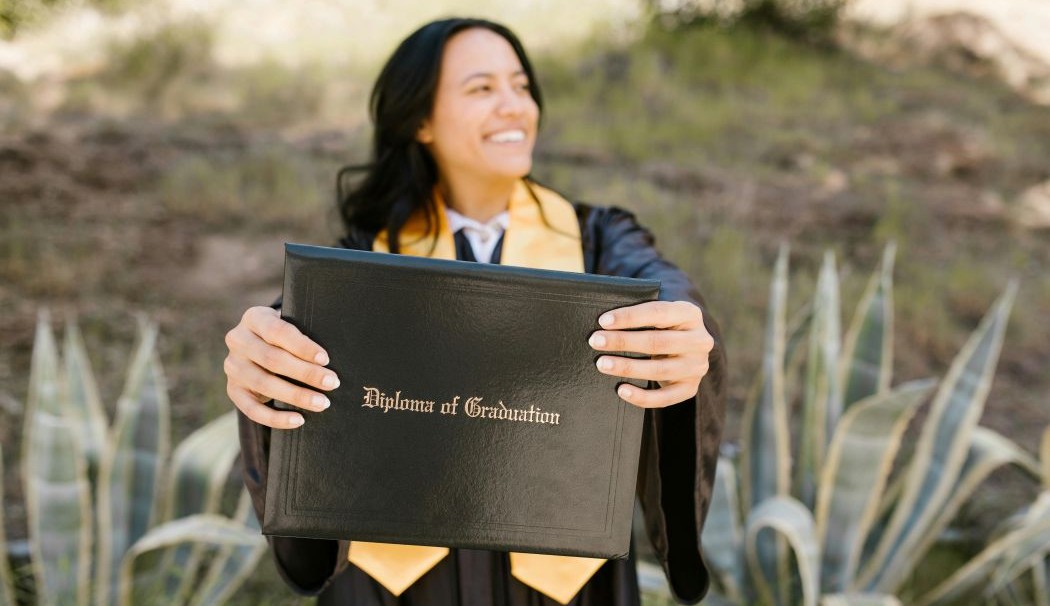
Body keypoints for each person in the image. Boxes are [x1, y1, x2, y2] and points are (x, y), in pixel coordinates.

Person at [224, 17, 726, 606]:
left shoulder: (596, 238)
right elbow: (295, 328)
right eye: (482, 89)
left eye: (521, 85)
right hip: (394, 585)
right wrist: (266, 354)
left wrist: (680, 326)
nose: (515, 106)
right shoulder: (364, 259)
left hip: (565, 581)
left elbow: (662, 285)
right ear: (420, 120)